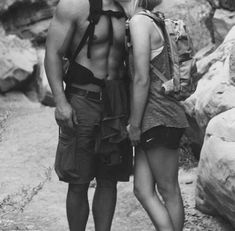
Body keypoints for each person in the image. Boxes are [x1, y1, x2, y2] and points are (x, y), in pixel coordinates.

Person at [44, 0, 132, 230]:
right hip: (83, 101)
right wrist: (61, 102)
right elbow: (53, 53)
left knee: (108, 179)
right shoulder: (73, 5)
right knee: (78, 181)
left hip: (116, 103)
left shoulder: (127, 6)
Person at [126, 0, 189, 231]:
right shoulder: (151, 19)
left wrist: (134, 125)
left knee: (168, 190)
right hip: (153, 118)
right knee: (142, 189)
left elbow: (141, 78)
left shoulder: (140, 21)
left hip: (159, 117)